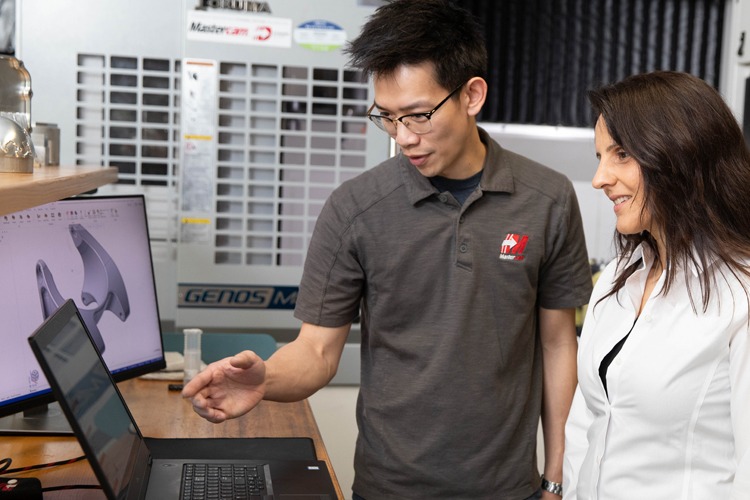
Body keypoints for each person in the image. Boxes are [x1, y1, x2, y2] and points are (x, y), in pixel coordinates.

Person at [183, 0, 592, 498]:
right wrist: (265, 379)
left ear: (472, 95)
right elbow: (316, 350)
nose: (404, 138)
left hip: (509, 488)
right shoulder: (355, 208)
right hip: (390, 487)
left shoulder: (547, 199)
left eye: (418, 116)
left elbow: (556, 344)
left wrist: (555, 474)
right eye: (388, 118)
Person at [563, 70, 750, 499]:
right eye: (599, 157)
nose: (600, 178)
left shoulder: (741, 294)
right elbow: (586, 421)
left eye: (621, 154)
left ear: (682, 153)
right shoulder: (615, 278)